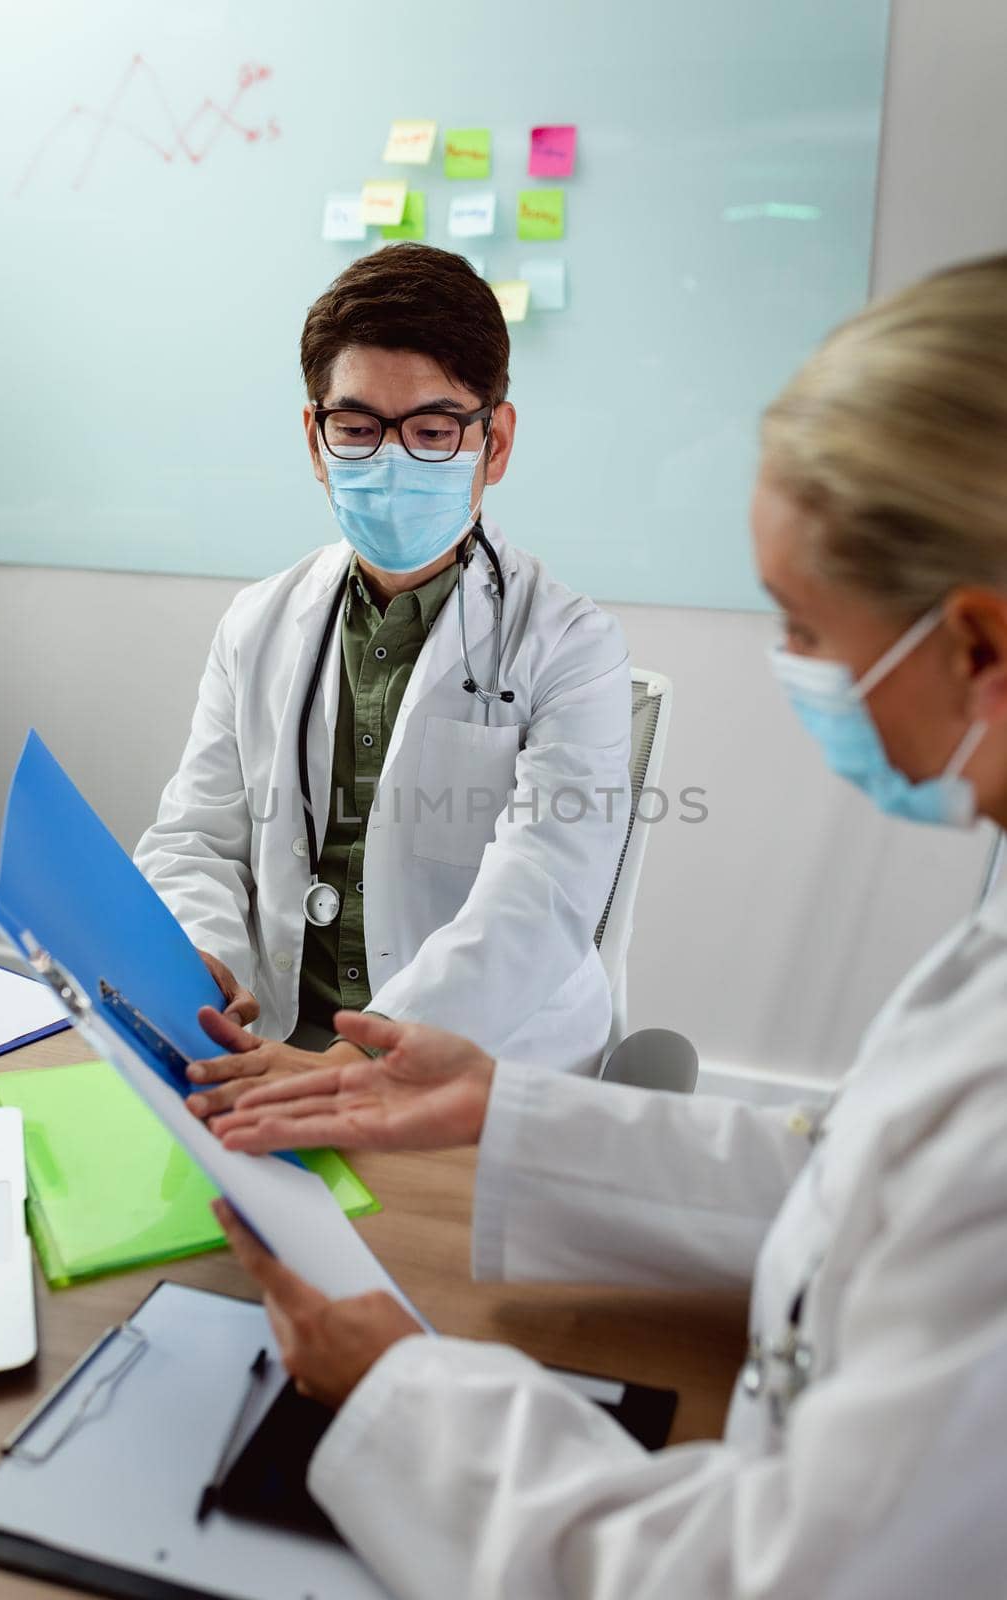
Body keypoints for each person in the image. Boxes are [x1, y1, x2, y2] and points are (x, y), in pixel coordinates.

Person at [196, 254, 1007, 1597]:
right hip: (341, 1066)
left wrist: (399, 1394)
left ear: (972, 645)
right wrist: (493, 1110)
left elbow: (767, 1574)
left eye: (805, 628)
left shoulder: (556, 640)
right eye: (357, 426)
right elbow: (844, 1180)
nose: (796, 673)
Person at [135, 244, 632, 1104]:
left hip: (476, 1066)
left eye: (433, 431)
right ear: (315, 439)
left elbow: (541, 891)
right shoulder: (258, 621)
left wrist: (358, 1064)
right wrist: (200, 965)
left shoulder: (573, 647)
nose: (392, 461)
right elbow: (196, 838)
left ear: (495, 441)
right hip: (275, 1043)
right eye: (358, 428)